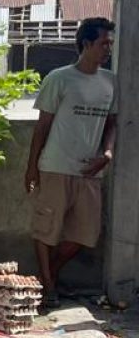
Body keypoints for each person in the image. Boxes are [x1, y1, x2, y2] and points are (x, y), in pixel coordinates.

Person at [25, 16, 117, 296]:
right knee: (46, 230)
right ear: (86, 44)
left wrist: (108, 153)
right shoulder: (59, 78)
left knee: (85, 235)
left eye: (110, 44)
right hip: (55, 166)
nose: (108, 49)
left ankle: (46, 276)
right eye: (103, 43)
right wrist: (31, 168)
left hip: (90, 170)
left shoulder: (111, 82)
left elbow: (111, 122)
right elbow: (43, 126)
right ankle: (49, 285)